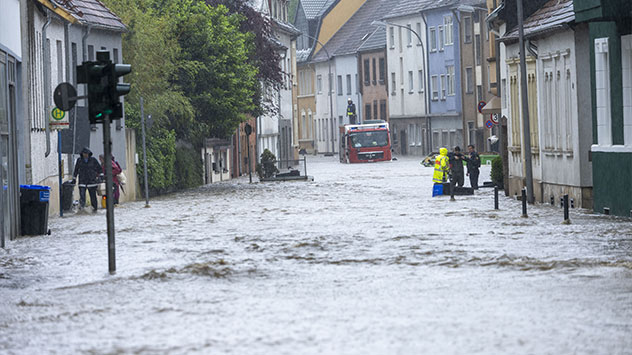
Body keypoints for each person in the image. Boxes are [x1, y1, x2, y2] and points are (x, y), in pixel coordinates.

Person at [72, 147, 102, 212]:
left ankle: (95, 209)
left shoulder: (93, 160)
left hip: (92, 182)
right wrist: (74, 178)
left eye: (87, 154)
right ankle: (81, 210)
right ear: (82, 154)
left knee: (93, 197)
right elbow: (76, 170)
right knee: (82, 196)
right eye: (84, 153)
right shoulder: (79, 160)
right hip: (82, 181)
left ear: (89, 154)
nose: (85, 155)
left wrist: (101, 177)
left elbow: (99, 169)